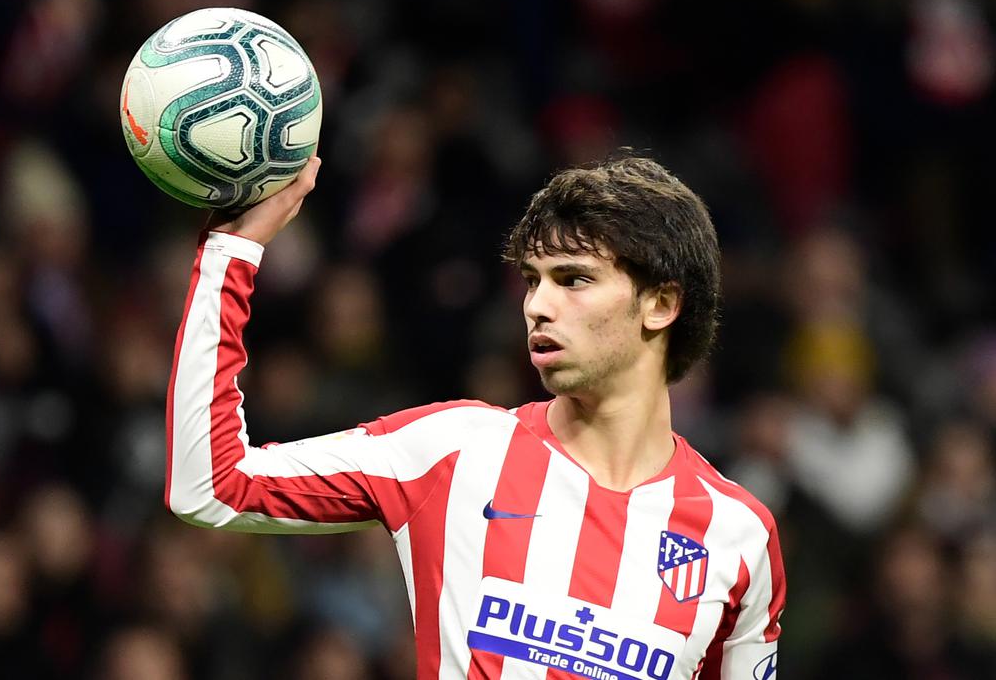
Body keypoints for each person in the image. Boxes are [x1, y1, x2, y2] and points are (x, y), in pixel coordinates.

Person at [165, 153, 785, 679]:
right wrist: (233, 249)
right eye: (532, 280)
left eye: (573, 280)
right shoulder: (454, 452)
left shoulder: (738, 538)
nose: (537, 306)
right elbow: (213, 485)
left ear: (661, 304)